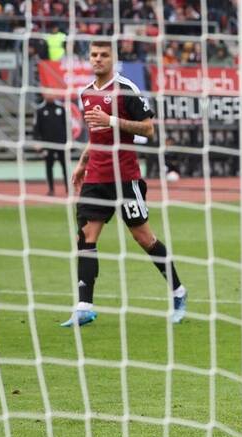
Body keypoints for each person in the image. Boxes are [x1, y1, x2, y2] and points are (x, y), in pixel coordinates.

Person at [63, 40, 187, 327]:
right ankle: (84, 306)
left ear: (113, 59)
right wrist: (82, 163)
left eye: (103, 55)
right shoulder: (85, 93)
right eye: (93, 55)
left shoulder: (126, 90)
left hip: (125, 177)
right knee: (85, 237)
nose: (97, 60)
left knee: (144, 239)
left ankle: (179, 292)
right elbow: (96, 136)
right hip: (96, 176)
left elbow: (148, 128)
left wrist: (112, 120)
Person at [33, 95, 69, 196]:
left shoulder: (61, 108)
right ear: (44, 95)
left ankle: (68, 189)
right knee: (49, 167)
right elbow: (36, 127)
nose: (51, 96)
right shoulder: (40, 110)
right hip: (47, 144)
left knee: (65, 166)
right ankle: (51, 189)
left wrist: (68, 141)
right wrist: (37, 142)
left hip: (61, 143)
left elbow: (67, 125)